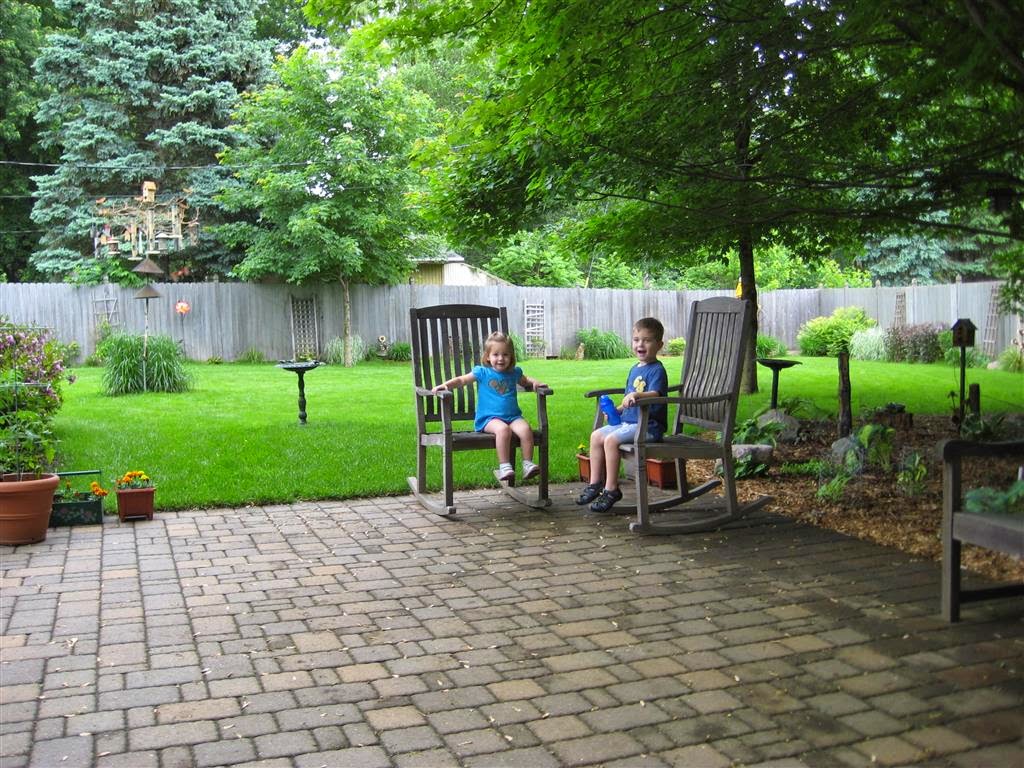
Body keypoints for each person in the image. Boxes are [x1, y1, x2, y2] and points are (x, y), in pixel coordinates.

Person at [577, 317, 668, 513]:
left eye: (647, 340)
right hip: (629, 423)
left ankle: (611, 489)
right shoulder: (635, 369)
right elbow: (629, 399)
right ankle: (595, 483)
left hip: (648, 427)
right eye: (636, 340)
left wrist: (637, 395)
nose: (640, 344)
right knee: (596, 436)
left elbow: (656, 394)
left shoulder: (657, 370)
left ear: (659, 345)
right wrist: (618, 410)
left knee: (611, 440)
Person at [432, 331, 546, 482]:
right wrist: (446, 385)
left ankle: (527, 464)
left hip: (513, 417)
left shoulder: (514, 373)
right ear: (487, 357)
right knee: (503, 430)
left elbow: (525, 381)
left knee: (526, 429)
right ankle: (504, 466)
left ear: (511, 356)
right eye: (496, 354)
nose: (501, 358)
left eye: (505, 354)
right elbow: (461, 380)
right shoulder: (482, 372)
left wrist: (535, 382)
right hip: (489, 419)